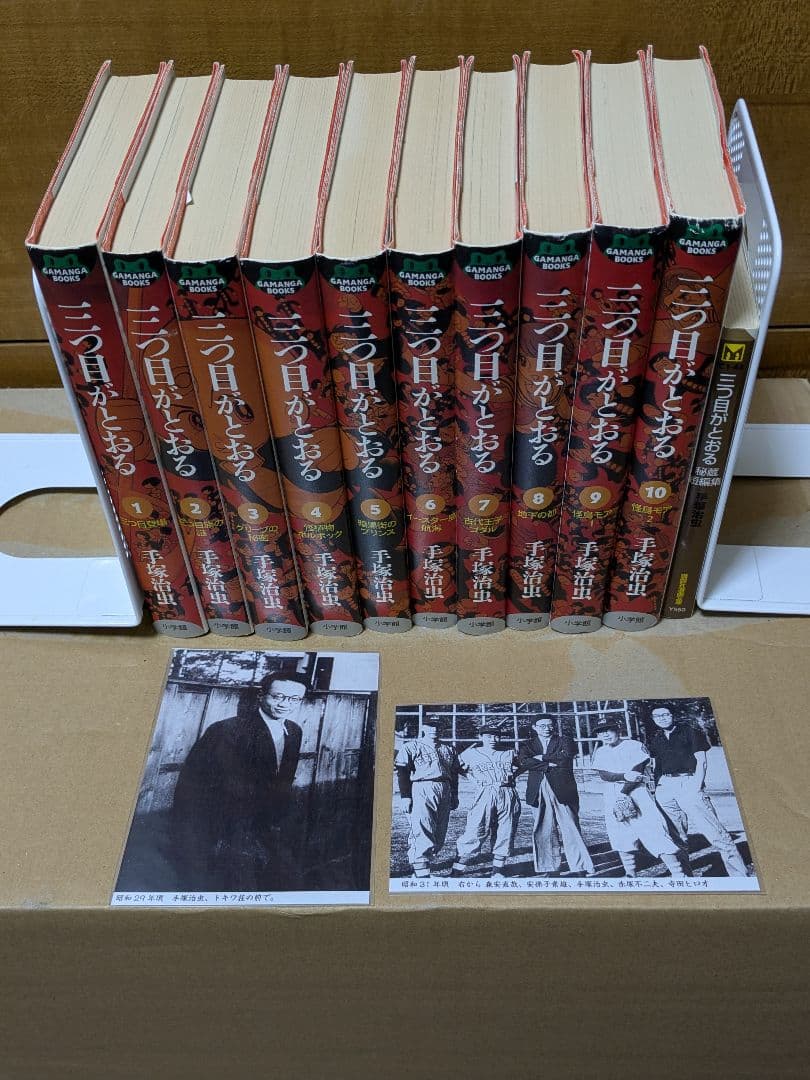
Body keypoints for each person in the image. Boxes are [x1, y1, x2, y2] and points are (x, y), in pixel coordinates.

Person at [170, 670, 306, 890]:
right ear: (262, 695)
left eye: (294, 699)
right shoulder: (226, 731)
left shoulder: (294, 731)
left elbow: (283, 781)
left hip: (269, 828)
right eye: (278, 696)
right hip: (228, 830)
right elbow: (198, 786)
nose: (285, 704)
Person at [648, 706, 749, 877]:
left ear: (673, 715)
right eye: (657, 716)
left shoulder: (690, 731)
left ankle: (739, 876)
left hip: (689, 781)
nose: (662, 718)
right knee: (676, 836)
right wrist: (658, 788)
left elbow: (701, 761)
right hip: (665, 787)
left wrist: (696, 785)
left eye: (666, 714)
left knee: (715, 832)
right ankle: (685, 877)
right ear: (653, 719)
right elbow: (655, 766)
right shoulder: (656, 738)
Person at [590, 719, 686, 878]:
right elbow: (604, 775)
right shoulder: (601, 751)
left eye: (609, 729)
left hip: (637, 792)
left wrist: (623, 792)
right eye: (601, 732)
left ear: (618, 730)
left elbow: (637, 771)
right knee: (620, 834)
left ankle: (678, 875)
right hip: (612, 793)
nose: (605, 734)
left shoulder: (633, 745)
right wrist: (622, 777)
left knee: (654, 831)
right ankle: (630, 874)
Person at [517, 716, 594, 876]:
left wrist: (541, 758)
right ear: (534, 727)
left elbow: (566, 756)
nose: (547, 728)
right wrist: (547, 765)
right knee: (544, 830)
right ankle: (549, 868)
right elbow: (524, 762)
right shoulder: (527, 744)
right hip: (538, 789)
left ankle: (579, 866)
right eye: (542, 726)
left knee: (571, 827)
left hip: (563, 789)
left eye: (550, 725)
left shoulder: (564, 740)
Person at [452, 727, 520, 878]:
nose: (493, 740)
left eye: (497, 736)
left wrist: (513, 776)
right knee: (475, 830)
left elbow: (522, 765)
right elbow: (455, 767)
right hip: (485, 791)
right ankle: (457, 871)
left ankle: (498, 872)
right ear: (481, 737)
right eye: (488, 736)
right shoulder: (470, 753)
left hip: (507, 791)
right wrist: (471, 778)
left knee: (506, 831)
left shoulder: (510, 752)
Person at [395, 718, 459, 878]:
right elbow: (402, 772)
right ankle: (422, 875)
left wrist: (454, 794)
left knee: (439, 834)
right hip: (422, 786)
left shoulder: (449, 748)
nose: (434, 729)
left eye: (437, 726)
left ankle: (419, 871)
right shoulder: (411, 746)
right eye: (430, 726)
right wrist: (405, 796)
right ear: (423, 727)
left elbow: (454, 773)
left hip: (444, 787)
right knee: (422, 830)